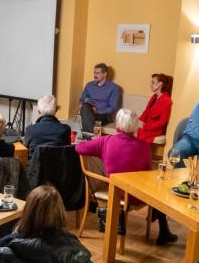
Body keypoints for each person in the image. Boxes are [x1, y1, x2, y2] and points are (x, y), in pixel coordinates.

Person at [75, 108, 176, 245]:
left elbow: (79, 148)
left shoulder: (105, 142)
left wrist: (97, 147)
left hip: (115, 192)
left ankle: (162, 228)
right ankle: (163, 230)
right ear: (135, 127)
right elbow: (148, 173)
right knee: (157, 186)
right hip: (138, 195)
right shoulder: (144, 146)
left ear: (117, 124)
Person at [78, 62, 120, 133]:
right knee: (85, 108)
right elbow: (82, 98)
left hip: (103, 115)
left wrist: (97, 111)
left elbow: (112, 107)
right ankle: (93, 135)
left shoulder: (114, 88)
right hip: (88, 111)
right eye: (94, 73)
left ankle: (89, 134)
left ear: (105, 74)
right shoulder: (89, 85)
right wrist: (89, 105)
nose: (95, 75)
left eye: (97, 73)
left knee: (87, 119)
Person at [138, 73, 173, 144]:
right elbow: (146, 111)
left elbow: (162, 121)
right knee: (131, 130)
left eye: (153, 82)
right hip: (147, 127)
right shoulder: (154, 96)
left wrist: (146, 126)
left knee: (136, 134)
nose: (150, 85)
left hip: (156, 130)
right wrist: (139, 122)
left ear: (160, 84)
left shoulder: (166, 100)